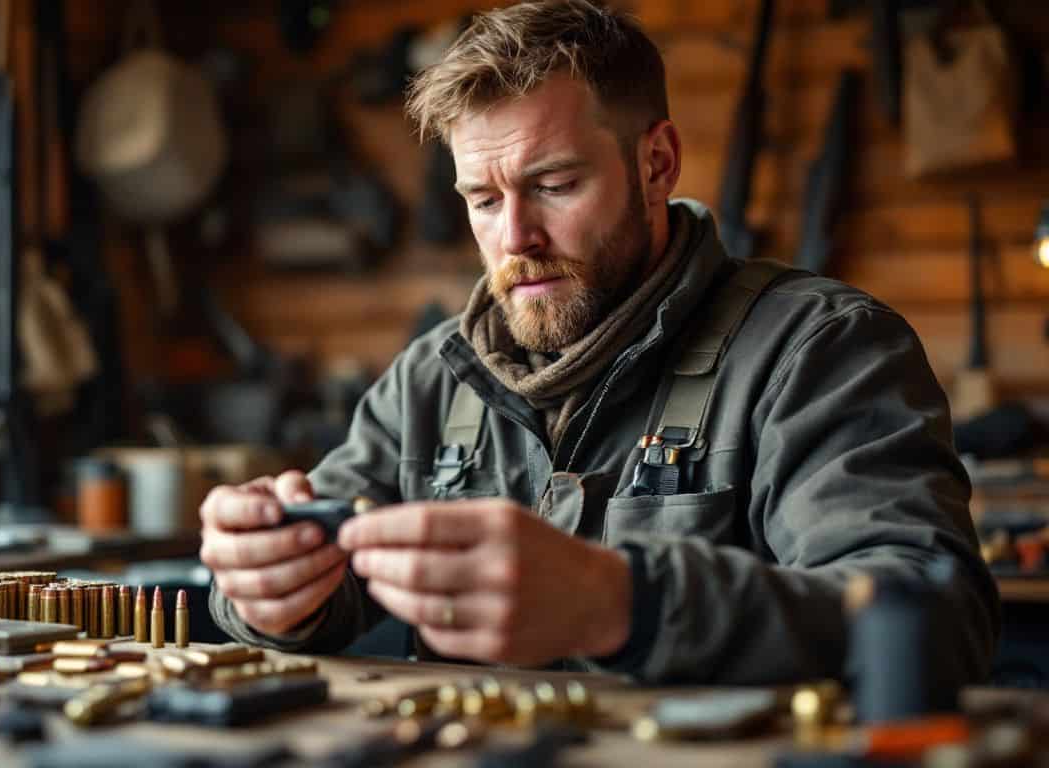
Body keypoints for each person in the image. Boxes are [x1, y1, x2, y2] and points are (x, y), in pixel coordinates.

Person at [202, 0, 998, 683]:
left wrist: (628, 604)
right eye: (482, 199)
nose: (516, 237)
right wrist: (266, 591)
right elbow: (307, 589)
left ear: (656, 164)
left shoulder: (818, 351)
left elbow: (934, 620)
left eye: (554, 185)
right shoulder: (431, 382)